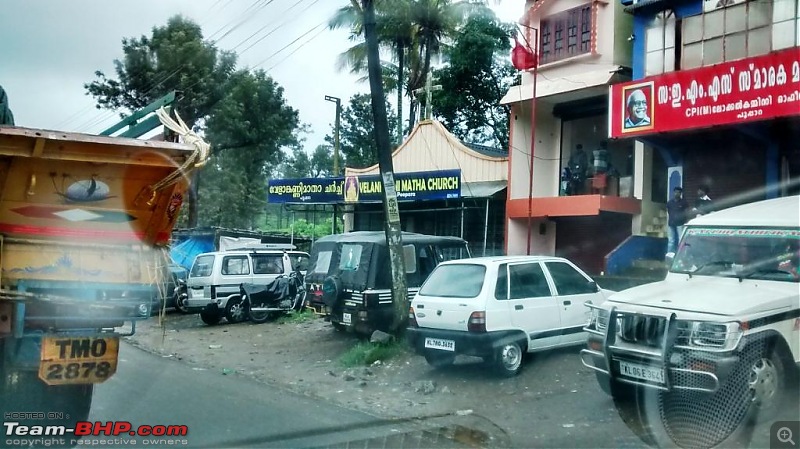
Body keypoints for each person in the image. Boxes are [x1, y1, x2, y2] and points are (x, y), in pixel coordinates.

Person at [666, 187, 690, 256]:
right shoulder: (670, 202)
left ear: (680, 193)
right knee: (671, 240)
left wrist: (686, 221)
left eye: (678, 192)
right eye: (675, 192)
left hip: (680, 223)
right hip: (671, 223)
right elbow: (669, 212)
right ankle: (669, 255)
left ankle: (680, 255)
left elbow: (686, 212)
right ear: (673, 192)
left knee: (681, 239)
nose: (677, 193)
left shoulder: (684, 202)